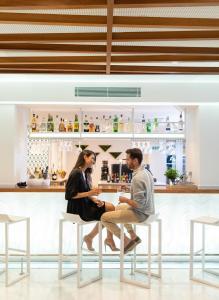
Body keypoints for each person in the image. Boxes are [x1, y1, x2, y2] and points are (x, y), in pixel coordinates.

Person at [101, 148, 155, 253]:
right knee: (117, 208)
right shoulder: (146, 172)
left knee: (104, 218)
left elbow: (139, 204)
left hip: (141, 214)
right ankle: (133, 235)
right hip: (148, 211)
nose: (126, 162)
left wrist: (125, 199)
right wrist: (130, 189)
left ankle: (126, 241)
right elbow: (144, 192)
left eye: (128, 160)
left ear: (135, 160)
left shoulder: (137, 178)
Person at [65, 149, 119, 251]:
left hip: (84, 204)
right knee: (109, 212)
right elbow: (70, 195)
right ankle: (103, 239)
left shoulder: (84, 173)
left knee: (111, 208)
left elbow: (82, 192)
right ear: (85, 156)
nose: (93, 162)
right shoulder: (76, 172)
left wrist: (93, 199)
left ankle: (94, 238)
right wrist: (91, 193)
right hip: (78, 209)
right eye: (92, 158)